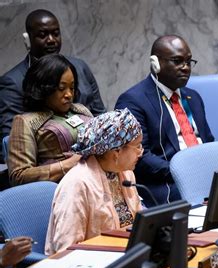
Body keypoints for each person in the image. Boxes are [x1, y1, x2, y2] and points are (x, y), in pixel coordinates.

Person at [115, 35, 214, 206]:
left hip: (203, 177)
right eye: (177, 61)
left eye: (188, 62)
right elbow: (140, 156)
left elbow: (208, 141)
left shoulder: (193, 97)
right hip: (166, 183)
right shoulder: (133, 101)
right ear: (156, 64)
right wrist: (185, 171)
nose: (185, 68)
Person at [0, 9, 105, 163]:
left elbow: (100, 114)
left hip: (93, 156)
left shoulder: (80, 67)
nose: (51, 40)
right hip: (50, 165)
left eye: (55, 34)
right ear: (28, 40)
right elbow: (11, 143)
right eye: (43, 35)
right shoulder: (13, 82)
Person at [45, 109, 143, 255]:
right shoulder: (77, 185)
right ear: (116, 151)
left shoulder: (125, 173)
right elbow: (66, 249)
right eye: (137, 146)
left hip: (124, 255)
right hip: (88, 264)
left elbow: (138, 224)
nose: (141, 152)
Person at [8, 54, 93, 186]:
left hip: (98, 180)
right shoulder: (25, 121)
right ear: (43, 88)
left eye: (72, 87)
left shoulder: (81, 109)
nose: (69, 94)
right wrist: (68, 164)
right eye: (61, 88)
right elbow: (19, 175)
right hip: (61, 190)